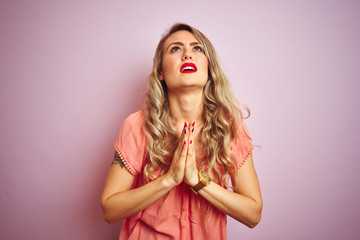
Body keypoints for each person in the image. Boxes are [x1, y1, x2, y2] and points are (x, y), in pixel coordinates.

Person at [101, 23, 262, 240]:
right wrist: (169, 179)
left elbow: (253, 214)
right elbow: (110, 210)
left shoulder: (230, 127)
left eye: (197, 48)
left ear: (210, 68)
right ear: (160, 72)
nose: (187, 54)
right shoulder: (138, 126)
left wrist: (197, 180)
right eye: (175, 49)